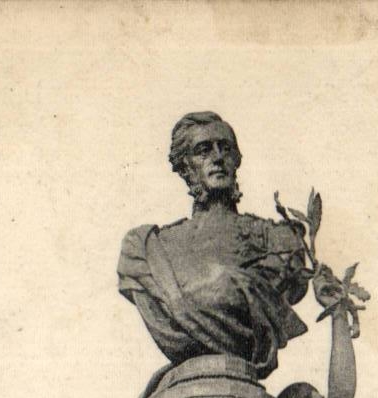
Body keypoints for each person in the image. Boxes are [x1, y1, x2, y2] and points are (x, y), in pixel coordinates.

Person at [118, 113, 310, 379]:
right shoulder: (148, 248)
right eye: (203, 150)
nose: (217, 157)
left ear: (236, 161)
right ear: (185, 166)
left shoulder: (278, 239)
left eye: (226, 148)